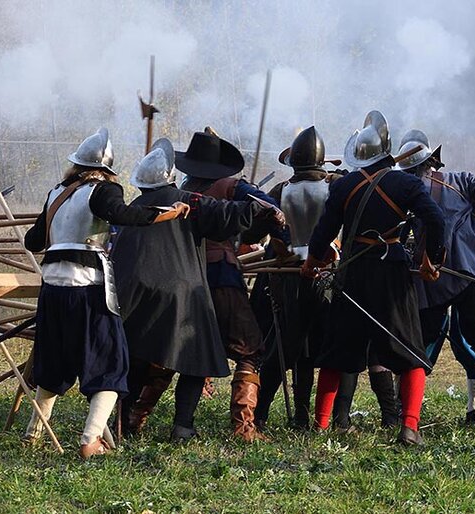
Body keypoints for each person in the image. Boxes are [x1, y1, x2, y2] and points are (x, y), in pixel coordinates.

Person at [21, 128, 190, 458]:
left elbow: (33, 241)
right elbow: (124, 215)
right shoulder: (103, 190)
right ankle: (91, 440)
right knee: (111, 365)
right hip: (88, 289)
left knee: (54, 364)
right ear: (107, 171)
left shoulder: (58, 192)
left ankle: (33, 433)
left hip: (52, 290)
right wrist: (168, 212)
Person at [113, 137, 275, 443]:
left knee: (150, 356)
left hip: (145, 291)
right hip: (197, 285)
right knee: (222, 352)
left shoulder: (139, 205)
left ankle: (131, 417)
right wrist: (262, 211)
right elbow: (233, 216)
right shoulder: (201, 195)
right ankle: (229, 427)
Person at [301, 111, 445, 445]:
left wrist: (312, 262)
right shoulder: (406, 183)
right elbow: (435, 219)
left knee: (337, 352)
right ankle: (409, 427)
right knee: (409, 353)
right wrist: (432, 259)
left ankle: (322, 427)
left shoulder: (344, 185)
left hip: (352, 273)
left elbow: (323, 232)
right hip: (391, 272)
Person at [395, 132, 475, 423]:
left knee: (421, 342)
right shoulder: (460, 180)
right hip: (469, 270)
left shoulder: (408, 189)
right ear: (432, 161)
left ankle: (401, 410)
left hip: (433, 276)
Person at [256, 126, 340, 430]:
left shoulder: (280, 191)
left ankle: (267, 414)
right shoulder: (335, 186)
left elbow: (256, 229)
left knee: (289, 346)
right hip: (322, 274)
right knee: (294, 349)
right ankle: (276, 414)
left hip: (289, 275)